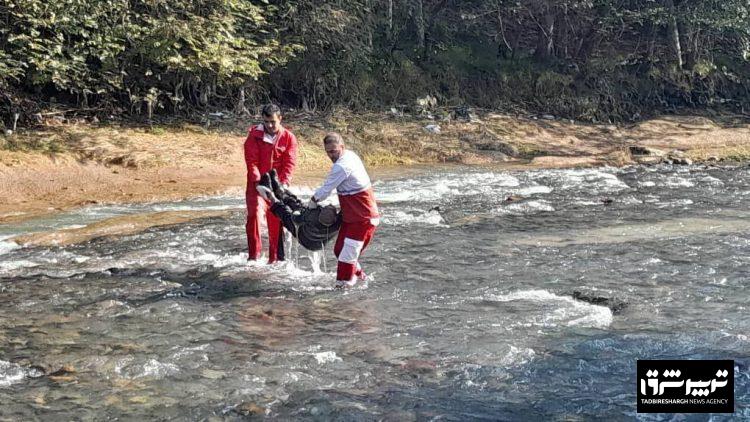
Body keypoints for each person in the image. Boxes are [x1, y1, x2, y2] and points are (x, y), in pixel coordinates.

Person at [309, 133, 380, 288]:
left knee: (345, 261)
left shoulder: (342, 165)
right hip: (351, 217)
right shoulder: (350, 156)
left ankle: (343, 293)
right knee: (339, 250)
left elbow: (326, 189)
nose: (331, 155)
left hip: (363, 219)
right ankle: (361, 279)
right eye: (328, 152)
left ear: (342, 147)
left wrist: (312, 202)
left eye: (334, 151)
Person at [244, 104, 298, 263]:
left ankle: (274, 260)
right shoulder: (254, 135)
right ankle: (253, 257)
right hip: (257, 185)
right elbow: (251, 161)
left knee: (275, 221)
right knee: (254, 215)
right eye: (266, 121)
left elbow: (290, 163)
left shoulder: (289, 138)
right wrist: (258, 182)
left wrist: (283, 185)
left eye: (273, 122)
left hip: (277, 186)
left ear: (280, 119)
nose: (269, 125)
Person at [256, 170, 342, 251]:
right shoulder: (338, 223)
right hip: (319, 241)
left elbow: (296, 218)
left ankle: (270, 195)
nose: (329, 205)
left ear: (320, 213)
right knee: (299, 206)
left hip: (304, 237)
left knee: (285, 213)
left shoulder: (312, 216)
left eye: (325, 207)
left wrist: (295, 214)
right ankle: (281, 192)